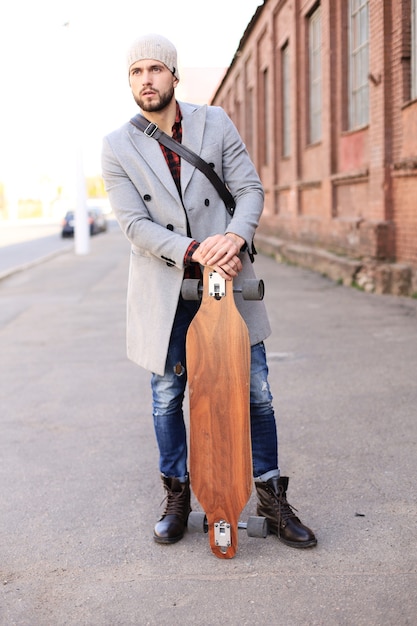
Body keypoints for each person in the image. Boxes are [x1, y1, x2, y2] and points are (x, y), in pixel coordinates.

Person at [101, 33, 317, 549]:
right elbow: (133, 224)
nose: (146, 80)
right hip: (166, 288)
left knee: (256, 394)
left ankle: (269, 495)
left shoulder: (214, 122)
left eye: (155, 69)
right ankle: (178, 496)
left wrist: (236, 236)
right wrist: (196, 248)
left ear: (174, 76)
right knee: (168, 396)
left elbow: (249, 189)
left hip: (229, 285)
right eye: (137, 72)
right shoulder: (117, 145)